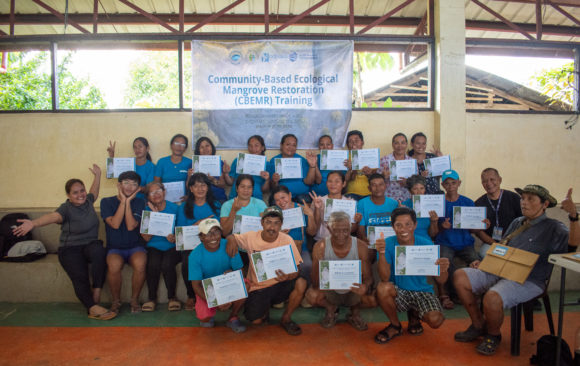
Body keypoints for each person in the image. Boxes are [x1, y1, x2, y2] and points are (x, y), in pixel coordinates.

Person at [453, 185, 579, 356]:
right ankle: (478, 325)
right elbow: (503, 247)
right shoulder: (517, 222)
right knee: (460, 276)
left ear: (545, 204)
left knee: (492, 297)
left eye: (530, 199)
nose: (524, 203)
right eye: (523, 198)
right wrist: (486, 263)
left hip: (529, 279)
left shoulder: (554, 227)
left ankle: (493, 335)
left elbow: (572, 247)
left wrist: (573, 216)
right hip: (500, 270)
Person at [13, 165, 115, 320]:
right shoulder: (65, 208)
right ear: (68, 195)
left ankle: (97, 291)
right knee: (79, 276)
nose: (80, 194)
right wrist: (33, 223)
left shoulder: (88, 201)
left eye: (82, 190)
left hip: (90, 245)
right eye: (75, 192)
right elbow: (53, 217)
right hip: (70, 249)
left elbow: (94, 191)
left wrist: (98, 175)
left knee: (100, 251)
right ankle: (92, 308)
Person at [226, 206, 306, 335]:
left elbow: (296, 270)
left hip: (280, 283)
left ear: (281, 225)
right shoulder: (251, 237)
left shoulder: (287, 240)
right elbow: (232, 237)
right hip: (258, 287)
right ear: (262, 223)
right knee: (255, 321)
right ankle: (264, 311)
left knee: (301, 283)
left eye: (276, 223)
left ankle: (286, 318)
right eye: (268, 222)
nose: (272, 227)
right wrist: (231, 239)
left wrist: (288, 276)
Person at [374, 207, 450, 344]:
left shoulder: (426, 244)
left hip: (422, 292)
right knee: (382, 287)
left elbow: (441, 280)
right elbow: (384, 278)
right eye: (398, 225)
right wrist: (381, 253)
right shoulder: (388, 243)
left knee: (436, 320)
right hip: (399, 291)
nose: (403, 229)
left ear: (415, 225)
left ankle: (414, 314)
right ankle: (395, 325)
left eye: (408, 224)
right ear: (393, 227)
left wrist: (443, 269)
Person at [306, 211, 373, 331]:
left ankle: (354, 313)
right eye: (336, 230)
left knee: (371, 300)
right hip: (330, 290)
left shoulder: (360, 246)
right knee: (312, 295)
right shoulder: (320, 246)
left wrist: (365, 286)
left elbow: (368, 278)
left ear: (351, 228)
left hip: (353, 290)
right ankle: (331, 309)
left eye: (345, 230)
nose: (341, 234)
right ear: (329, 228)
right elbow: (315, 283)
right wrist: (318, 262)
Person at [435, 169, 485, 310]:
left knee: (477, 262)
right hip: (445, 242)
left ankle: (476, 293)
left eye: (453, 182)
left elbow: (474, 230)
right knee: (445, 263)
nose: (450, 186)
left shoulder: (468, 202)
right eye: (447, 183)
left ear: (459, 183)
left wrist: (481, 225)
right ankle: (450, 294)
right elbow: (433, 231)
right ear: (443, 185)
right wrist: (442, 227)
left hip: (465, 243)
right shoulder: (439, 203)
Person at [100, 171, 147, 314]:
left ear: (138, 188)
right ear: (119, 185)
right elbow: (114, 224)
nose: (129, 187)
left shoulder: (140, 202)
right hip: (115, 248)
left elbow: (131, 225)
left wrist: (128, 202)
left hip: (136, 246)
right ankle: (116, 301)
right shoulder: (106, 202)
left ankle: (134, 299)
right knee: (113, 266)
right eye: (126, 183)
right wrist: (124, 201)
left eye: (134, 184)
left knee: (140, 264)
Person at [189, 218, 246, 333]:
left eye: (216, 232)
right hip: (209, 289)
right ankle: (210, 312)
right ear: (201, 237)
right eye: (208, 234)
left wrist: (233, 274)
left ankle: (233, 316)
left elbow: (241, 272)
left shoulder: (229, 245)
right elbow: (196, 286)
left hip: (228, 285)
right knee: (205, 319)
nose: (213, 237)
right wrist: (215, 301)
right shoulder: (194, 255)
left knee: (246, 284)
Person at [176, 173, 221, 311]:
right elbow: (180, 233)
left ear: (208, 187)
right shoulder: (183, 207)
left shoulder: (216, 205)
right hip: (191, 246)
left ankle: (217, 294)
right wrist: (198, 224)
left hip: (213, 244)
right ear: (190, 189)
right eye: (196, 186)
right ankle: (192, 296)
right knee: (187, 261)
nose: (200, 189)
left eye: (203, 185)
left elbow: (221, 228)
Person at [140, 182, 181, 312]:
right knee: (153, 264)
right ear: (148, 197)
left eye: (158, 191)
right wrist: (155, 216)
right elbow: (146, 238)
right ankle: (151, 298)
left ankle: (172, 298)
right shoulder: (146, 211)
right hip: (153, 246)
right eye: (152, 193)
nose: (156, 194)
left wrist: (174, 237)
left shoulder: (175, 208)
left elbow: (181, 232)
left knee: (167, 264)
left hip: (171, 246)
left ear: (164, 192)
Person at [271, 185, 317, 285]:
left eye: (283, 197)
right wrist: (278, 233)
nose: (281, 202)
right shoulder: (273, 212)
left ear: (290, 195)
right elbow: (267, 235)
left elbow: (312, 232)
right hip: (280, 249)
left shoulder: (301, 208)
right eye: (277, 200)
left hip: (301, 249)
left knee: (307, 265)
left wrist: (311, 216)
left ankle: (305, 288)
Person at [474, 168, 522, 257]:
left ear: (500, 180)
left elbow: (524, 222)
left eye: (492, 179)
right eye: (485, 181)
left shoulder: (514, 198)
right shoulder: (479, 203)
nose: (489, 184)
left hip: (514, 242)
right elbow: (479, 232)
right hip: (491, 243)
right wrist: (495, 244)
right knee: (484, 253)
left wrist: (511, 241)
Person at [310, 171, 362, 242]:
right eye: (330, 181)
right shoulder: (319, 201)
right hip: (322, 240)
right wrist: (317, 209)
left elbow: (351, 230)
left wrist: (356, 222)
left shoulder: (350, 203)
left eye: (337, 181)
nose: (333, 184)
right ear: (326, 183)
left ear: (343, 184)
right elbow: (313, 229)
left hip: (343, 241)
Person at [268, 134, 316, 204]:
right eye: (288, 144)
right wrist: (275, 181)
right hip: (282, 196)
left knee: (302, 199)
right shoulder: (274, 161)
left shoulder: (302, 160)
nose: (291, 147)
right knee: (273, 201)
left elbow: (309, 182)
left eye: (294, 145)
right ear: (281, 145)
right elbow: (273, 187)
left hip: (301, 195)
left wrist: (312, 166)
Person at [356, 173, 399, 242]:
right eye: (374, 185)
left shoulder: (394, 203)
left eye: (381, 184)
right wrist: (365, 241)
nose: (378, 188)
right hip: (370, 241)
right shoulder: (362, 203)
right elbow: (361, 227)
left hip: (390, 241)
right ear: (369, 188)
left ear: (385, 186)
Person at [226, 135, 270, 200]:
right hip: (235, 197)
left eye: (256, 145)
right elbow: (230, 183)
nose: (253, 149)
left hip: (255, 199)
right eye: (250, 146)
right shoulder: (238, 160)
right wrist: (225, 173)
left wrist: (267, 180)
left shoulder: (267, 164)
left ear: (262, 147)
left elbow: (264, 190)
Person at [154, 134, 192, 200]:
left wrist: (189, 197)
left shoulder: (190, 162)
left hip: (184, 200)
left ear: (185, 149)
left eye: (183, 145)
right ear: (171, 145)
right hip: (164, 199)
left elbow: (193, 184)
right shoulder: (162, 162)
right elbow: (157, 183)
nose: (179, 147)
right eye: (176, 143)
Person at [378, 133, 414, 203]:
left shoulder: (412, 162)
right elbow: (377, 181)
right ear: (392, 145)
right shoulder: (384, 160)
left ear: (406, 144)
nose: (400, 146)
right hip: (389, 198)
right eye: (396, 143)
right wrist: (383, 176)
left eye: (403, 143)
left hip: (406, 198)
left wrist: (408, 183)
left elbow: (416, 182)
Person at [192, 137, 230, 203]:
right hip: (199, 200)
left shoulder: (220, 163)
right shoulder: (194, 163)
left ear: (212, 147)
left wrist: (212, 180)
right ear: (198, 150)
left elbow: (223, 185)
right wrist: (190, 176)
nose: (205, 149)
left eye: (207, 146)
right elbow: (190, 186)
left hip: (218, 198)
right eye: (202, 147)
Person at [402, 174, 439, 240]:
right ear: (410, 191)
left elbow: (433, 234)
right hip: (407, 241)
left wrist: (434, 222)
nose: (419, 192)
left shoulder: (430, 205)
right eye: (415, 189)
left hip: (425, 241)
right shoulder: (403, 206)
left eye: (422, 188)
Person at [344, 130, 373, 201]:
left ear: (362, 142)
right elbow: (343, 181)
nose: (354, 143)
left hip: (369, 192)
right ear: (347, 145)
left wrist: (369, 174)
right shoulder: (345, 158)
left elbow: (375, 178)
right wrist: (351, 169)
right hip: (351, 193)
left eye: (356, 140)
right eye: (350, 141)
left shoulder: (371, 156)